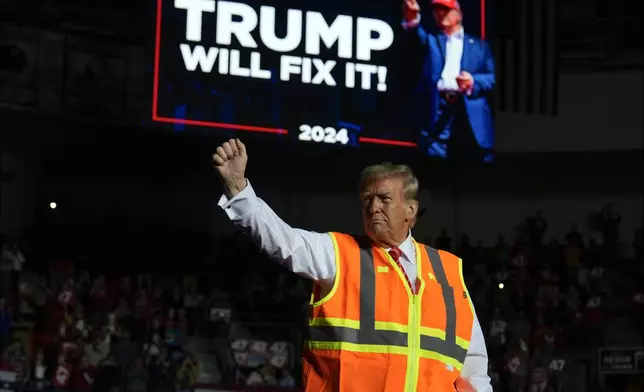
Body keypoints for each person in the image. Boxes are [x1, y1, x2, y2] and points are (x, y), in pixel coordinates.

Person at [213, 138, 492, 391]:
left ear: (411, 210)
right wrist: (240, 192)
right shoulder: (338, 254)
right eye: (367, 200)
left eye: (384, 199)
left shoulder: (449, 271)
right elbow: (283, 241)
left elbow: (475, 369)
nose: (373, 208)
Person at [402, 0, 495, 161]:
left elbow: (492, 77)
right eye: (436, 10)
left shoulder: (479, 46)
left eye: (445, 9)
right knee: (434, 163)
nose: (439, 13)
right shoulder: (431, 39)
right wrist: (412, 20)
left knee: (471, 166)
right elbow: (414, 38)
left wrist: (472, 81)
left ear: (458, 14)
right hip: (438, 108)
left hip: (467, 111)